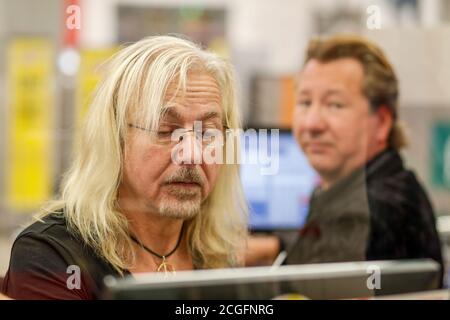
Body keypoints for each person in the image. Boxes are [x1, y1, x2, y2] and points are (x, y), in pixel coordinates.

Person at [2, 35, 248, 299]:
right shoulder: (52, 254)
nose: (191, 153)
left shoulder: (214, 254)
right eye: (166, 130)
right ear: (115, 139)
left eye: (207, 133)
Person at [247, 35, 443, 283]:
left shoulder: (367, 210)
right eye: (305, 102)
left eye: (335, 105)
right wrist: (277, 245)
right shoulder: (377, 184)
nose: (312, 123)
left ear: (382, 122)